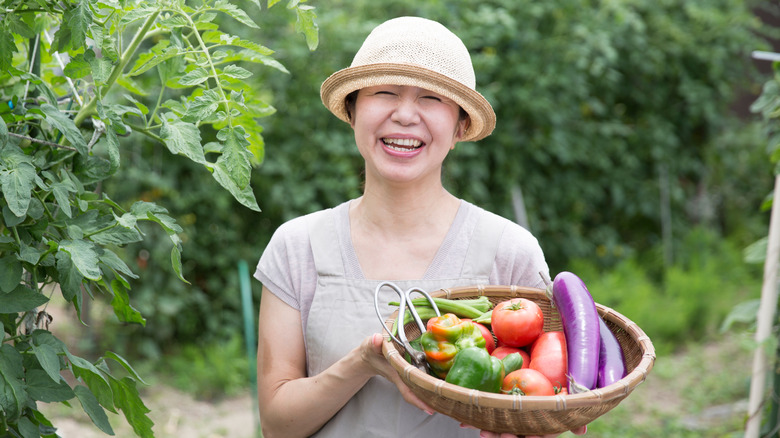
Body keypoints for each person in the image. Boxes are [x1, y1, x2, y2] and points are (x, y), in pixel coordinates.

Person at [254, 16, 588, 438]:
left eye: (432, 98)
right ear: (353, 111)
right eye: (385, 92)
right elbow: (277, 426)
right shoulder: (297, 247)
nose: (405, 115)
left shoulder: (509, 250)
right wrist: (362, 363)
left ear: (460, 126)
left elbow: (541, 397)